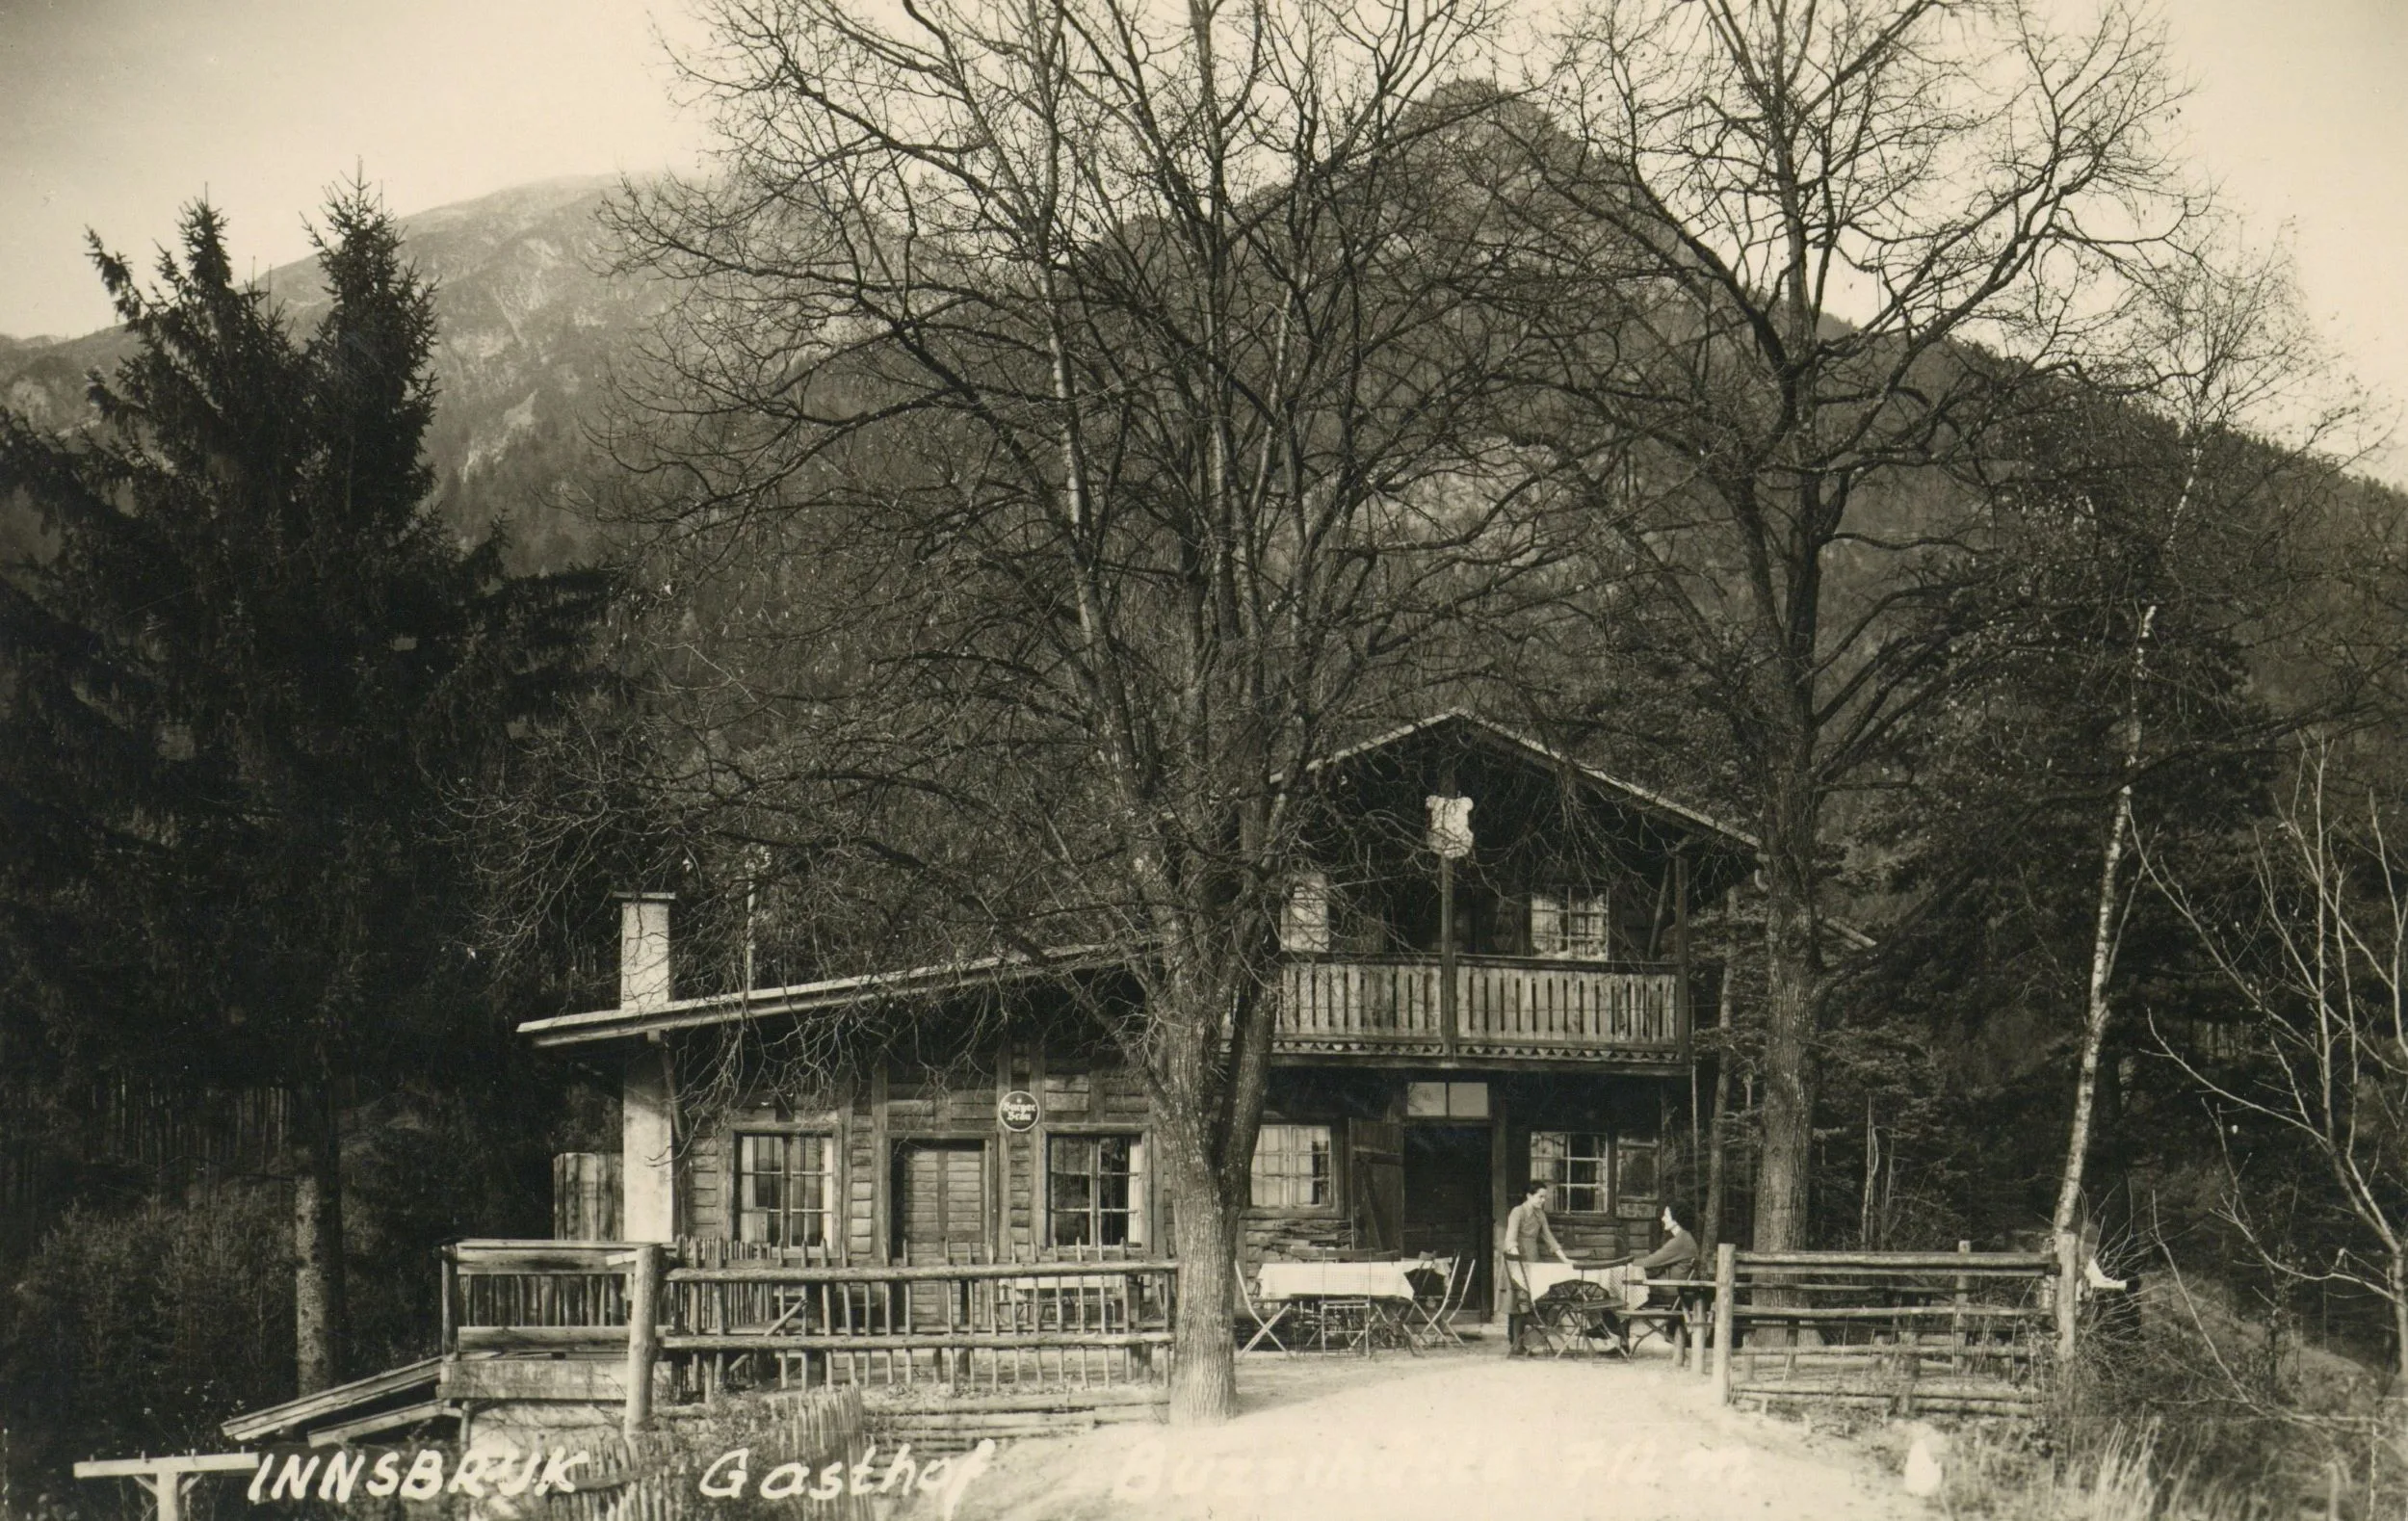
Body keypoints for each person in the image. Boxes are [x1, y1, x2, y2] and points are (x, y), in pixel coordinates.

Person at [1503, 1182, 1575, 1355]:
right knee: (1518, 1300)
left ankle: (1519, 1342)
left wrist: (1565, 1260)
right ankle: (1515, 1343)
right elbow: (1511, 1238)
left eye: (1544, 1197)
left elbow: (1549, 1238)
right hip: (1517, 1257)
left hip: (1532, 1256)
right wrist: (1517, 1259)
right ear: (1529, 1195)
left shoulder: (1540, 1214)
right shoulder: (1517, 1212)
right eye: (1539, 1196)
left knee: (1527, 1300)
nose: (1543, 1200)